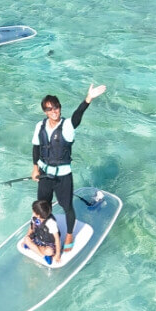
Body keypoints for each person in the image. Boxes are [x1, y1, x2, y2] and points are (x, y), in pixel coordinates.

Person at [31, 84, 107, 253]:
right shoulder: (39, 126)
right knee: (42, 205)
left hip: (62, 177)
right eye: (49, 109)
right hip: (44, 175)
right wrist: (35, 168)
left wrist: (88, 99)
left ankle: (70, 235)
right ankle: (45, 230)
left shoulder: (67, 126)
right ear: (45, 111)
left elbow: (77, 116)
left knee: (67, 207)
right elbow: (36, 147)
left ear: (60, 107)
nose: (54, 111)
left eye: (56, 107)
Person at [22, 200, 61, 265]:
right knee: (26, 239)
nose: (32, 212)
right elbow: (31, 227)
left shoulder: (51, 223)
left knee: (49, 252)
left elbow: (57, 239)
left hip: (49, 243)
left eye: (33, 210)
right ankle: (43, 256)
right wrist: (28, 236)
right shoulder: (35, 217)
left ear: (39, 215)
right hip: (38, 239)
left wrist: (58, 254)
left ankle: (32, 247)